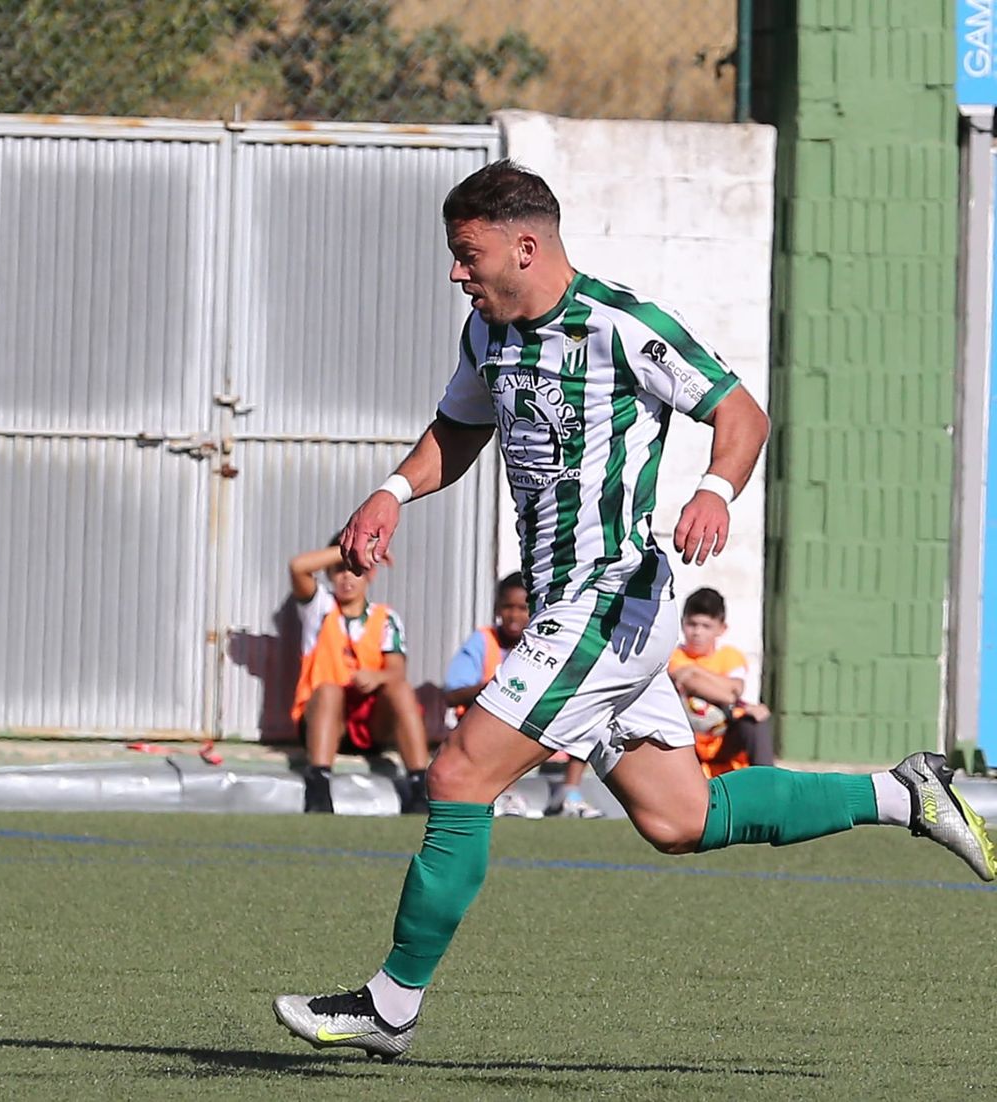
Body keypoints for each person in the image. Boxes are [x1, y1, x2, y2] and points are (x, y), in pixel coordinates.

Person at [272, 160, 995, 1061]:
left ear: (524, 246)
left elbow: (741, 414)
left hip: (609, 599)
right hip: (576, 607)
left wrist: (717, 490)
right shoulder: (486, 334)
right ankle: (903, 794)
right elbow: (459, 430)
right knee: (678, 819)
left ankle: (391, 1004)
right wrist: (391, 491)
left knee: (459, 778)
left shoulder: (623, 326)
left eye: (469, 254)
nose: (457, 273)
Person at [444, 572, 601, 818]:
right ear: (497, 608)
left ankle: (569, 793)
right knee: (505, 715)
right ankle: (507, 794)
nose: (515, 615)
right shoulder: (483, 641)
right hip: (490, 725)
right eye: (508, 607)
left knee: (588, 712)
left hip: (542, 726)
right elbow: (452, 695)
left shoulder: (550, 642)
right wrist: (496, 686)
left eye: (523, 608)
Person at [289, 541, 430, 814]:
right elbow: (298, 567)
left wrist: (377, 678)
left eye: (356, 569)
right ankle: (319, 783)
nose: (346, 578)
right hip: (324, 719)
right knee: (329, 690)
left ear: (370, 574)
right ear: (329, 574)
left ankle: (419, 784)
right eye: (340, 569)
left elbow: (396, 671)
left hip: (368, 722)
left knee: (399, 689)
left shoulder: (385, 618)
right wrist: (353, 549)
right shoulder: (320, 608)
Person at [668, 586, 776, 776]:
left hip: (723, 739)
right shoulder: (674, 656)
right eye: (692, 624)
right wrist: (727, 693)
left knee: (756, 723)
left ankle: (768, 784)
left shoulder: (731, 656)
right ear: (682, 623)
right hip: (688, 741)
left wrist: (693, 670)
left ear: (721, 628)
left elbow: (736, 688)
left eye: (706, 626)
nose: (697, 632)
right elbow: (702, 685)